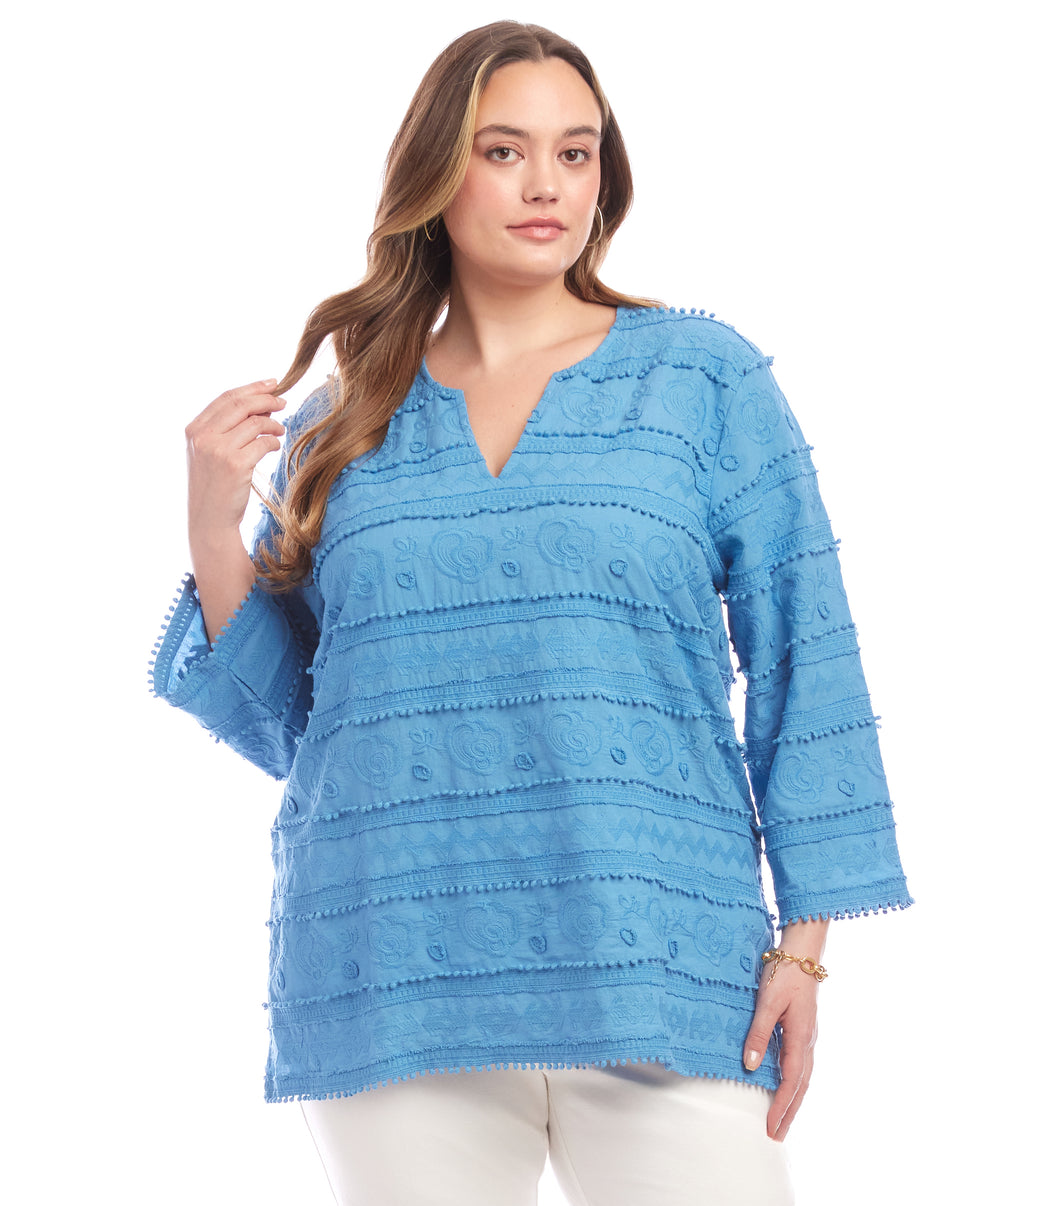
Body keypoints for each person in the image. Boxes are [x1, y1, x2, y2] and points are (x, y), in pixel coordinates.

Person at [151, 21, 911, 1206]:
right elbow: (293, 727)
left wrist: (802, 952)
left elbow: (806, 657)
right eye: (502, 151)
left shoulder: (699, 379)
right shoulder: (340, 426)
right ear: (434, 174)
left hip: (662, 960)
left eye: (575, 150)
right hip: (396, 967)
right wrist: (212, 530)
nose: (546, 184)